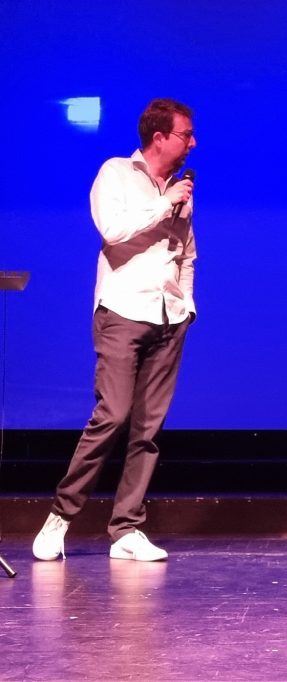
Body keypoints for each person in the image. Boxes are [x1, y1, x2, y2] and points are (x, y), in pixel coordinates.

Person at [32, 98, 198, 562]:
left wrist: (187, 303)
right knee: (113, 415)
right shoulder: (116, 173)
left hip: (169, 316)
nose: (193, 143)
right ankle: (60, 516)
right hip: (123, 310)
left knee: (148, 428)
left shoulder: (181, 188)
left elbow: (186, 251)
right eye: (186, 134)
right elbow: (112, 230)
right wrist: (163, 204)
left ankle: (126, 528)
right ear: (159, 137)